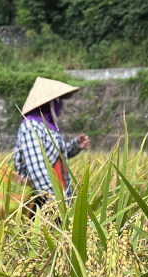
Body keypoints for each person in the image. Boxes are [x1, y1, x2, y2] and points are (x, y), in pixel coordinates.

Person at [14, 77, 90, 209]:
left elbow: (53, 155)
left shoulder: (47, 127)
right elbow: (37, 171)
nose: (60, 105)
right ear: (49, 104)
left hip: (56, 198)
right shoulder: (31, 126)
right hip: (40, 203)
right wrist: (57, 204)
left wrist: (75, 145)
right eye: (57, 101)